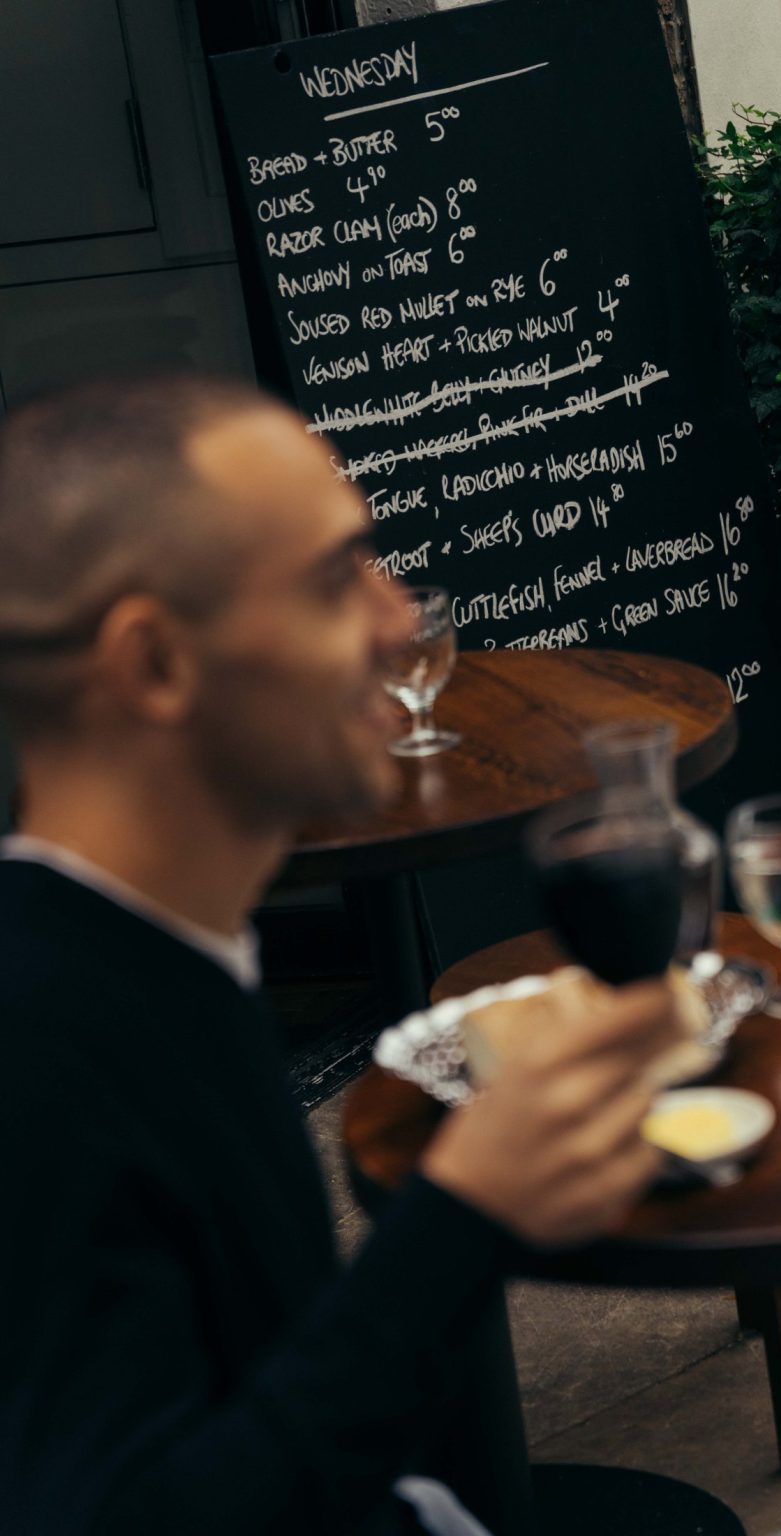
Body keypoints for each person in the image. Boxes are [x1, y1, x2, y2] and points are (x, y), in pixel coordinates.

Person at [0, 373, 678, 1535]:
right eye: (334, 579)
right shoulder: (36, 1055)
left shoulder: (156, 958)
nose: (400, 619)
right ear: (154, 664)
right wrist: (461, 1220)